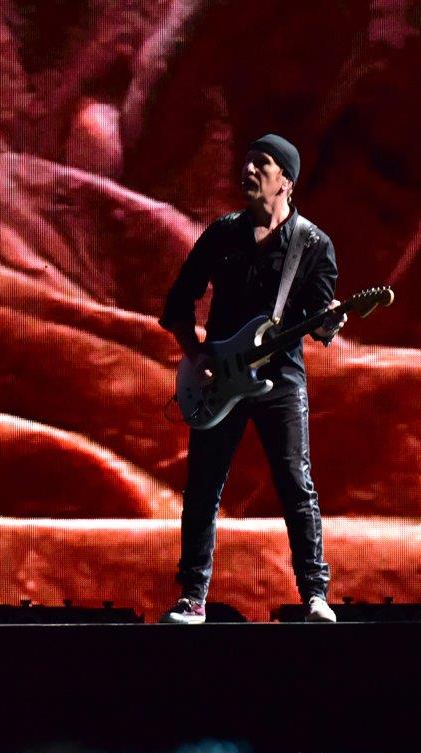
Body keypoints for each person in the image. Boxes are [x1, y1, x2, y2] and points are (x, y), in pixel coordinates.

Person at [158, 133, 345, 624]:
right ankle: (193, 596)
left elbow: (318, 324)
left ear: (286, 180)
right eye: (246, 162)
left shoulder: (314, 246)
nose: (248, 171)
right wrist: (197, 355)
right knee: (203, 487)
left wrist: (328, 324)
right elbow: (178, 303)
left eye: (261, 164)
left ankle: (315, 595)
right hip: (219, 378)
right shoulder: (223, 234)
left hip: (280, 379)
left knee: (295, 484)